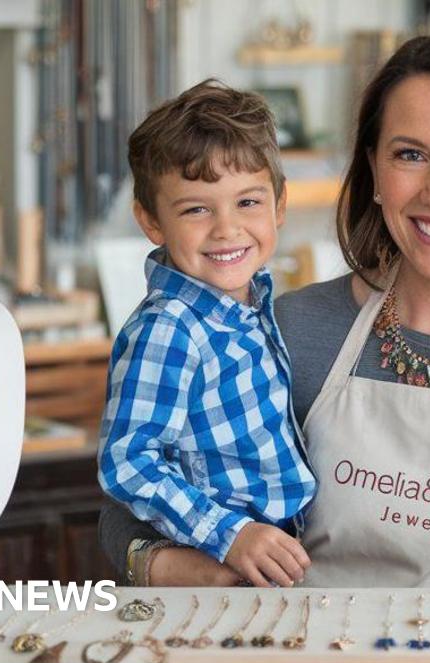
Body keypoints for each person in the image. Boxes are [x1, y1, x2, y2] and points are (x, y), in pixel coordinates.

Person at [101, 28, 430, 588]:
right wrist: (168, 564)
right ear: (375, 172)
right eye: (410, 155)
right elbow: (125, 510)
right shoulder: (289, 332)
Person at [97, 79, 317, 589]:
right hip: (219, 570)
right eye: (197, 208)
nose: (226, 228)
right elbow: (128, 461)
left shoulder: (253, 306)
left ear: (279, 206)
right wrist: (230, 534)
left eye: (248, 202)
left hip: (277, 560)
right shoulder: (170, 328)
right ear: (152, 222)